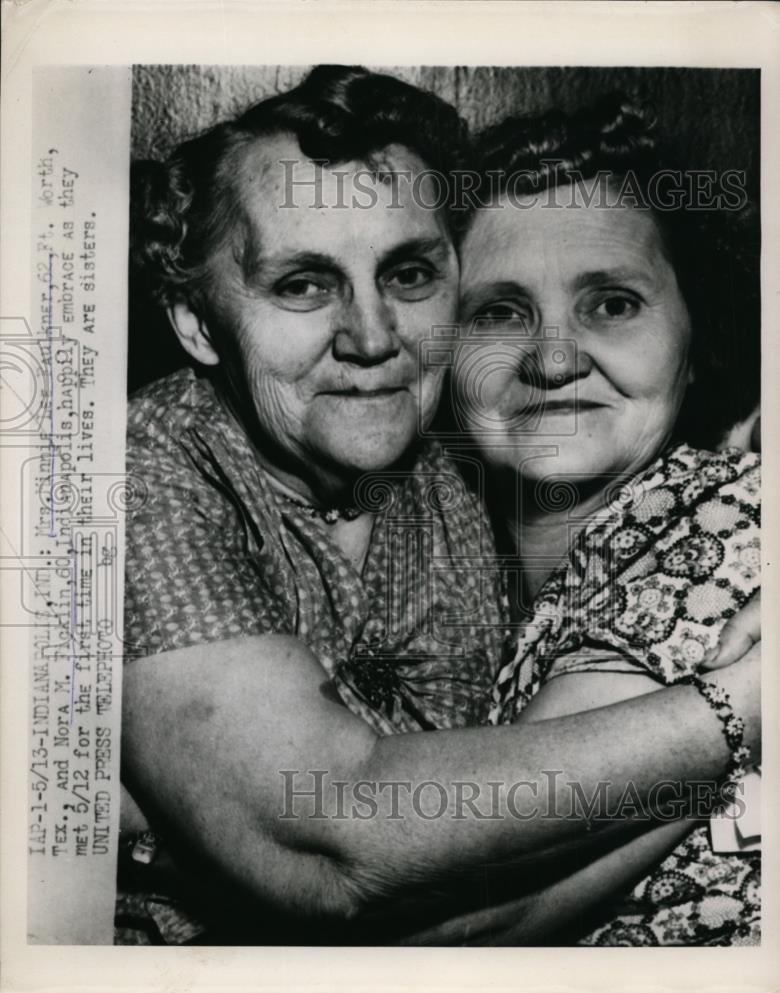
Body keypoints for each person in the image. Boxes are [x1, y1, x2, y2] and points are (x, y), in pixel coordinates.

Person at [120, 66, 760, 945]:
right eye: (304, 284)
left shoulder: (721, 523)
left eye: (411, 274)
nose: (374, 338)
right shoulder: (161, 464)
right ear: (195, 322)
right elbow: (344, 854)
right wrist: (741, 715)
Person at [454, 95, 762, 944]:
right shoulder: (462, 589)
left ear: (696, 341)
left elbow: (456, 911)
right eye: (498, 313)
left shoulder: (732, 518)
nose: (553, 358)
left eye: (613, 304)